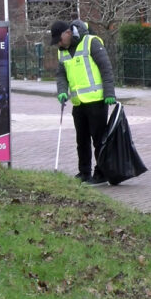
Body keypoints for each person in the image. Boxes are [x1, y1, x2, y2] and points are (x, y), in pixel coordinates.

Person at [50, 19, 116, 185]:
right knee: (82, 140)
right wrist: (62, 91)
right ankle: (84, 172)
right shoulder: (62, 51)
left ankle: (101, 174)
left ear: (68, 33)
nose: (58, 44)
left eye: (59, 40)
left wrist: (109, 92)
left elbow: (106, 68)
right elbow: (61, 74)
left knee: (99, 139)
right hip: (78, 103)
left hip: (96, 100)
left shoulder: (91, 42)